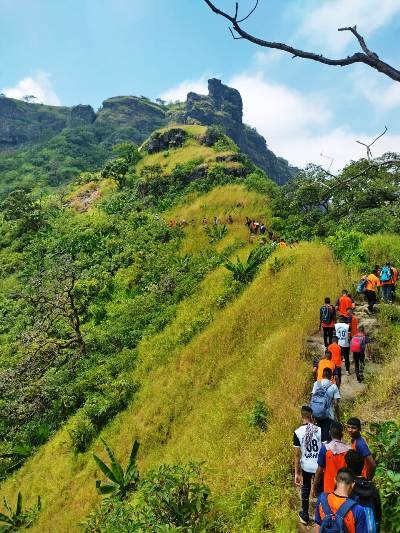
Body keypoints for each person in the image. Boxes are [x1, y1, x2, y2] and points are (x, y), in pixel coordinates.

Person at [293, 406, 322, 526]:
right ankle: (320, 517)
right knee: (320, 490)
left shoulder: (297, 432)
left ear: (302, 416)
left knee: (305, 489)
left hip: (306, 466)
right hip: (319, 466)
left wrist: (297, 473)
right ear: (312, 416)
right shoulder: (319, 430)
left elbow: (297, 455)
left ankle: (305, 515)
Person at [314, 468, 367, 532]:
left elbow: (318, 525)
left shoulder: (322, 499)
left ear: (335, 481)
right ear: (353, 485)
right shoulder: (358, 510)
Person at [345, 450, 382, 532]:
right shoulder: (373, 488)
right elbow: (378, 517)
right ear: (363, 466)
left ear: (347, 467)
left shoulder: (346, 489)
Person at [312, 422, 351, 496]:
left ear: (329, 433)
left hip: (329, 491)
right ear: (342, 434)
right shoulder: (349, 450)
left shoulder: (325, 449)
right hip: (345, 491)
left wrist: (314, 487)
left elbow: (319, 471)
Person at [310, 368, 341, 442]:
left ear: (322, 375)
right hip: (328, 416)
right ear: (331, 376)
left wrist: (311, 414)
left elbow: (312, 399)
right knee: (327, 440)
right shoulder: (334, 386)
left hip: (316, 414)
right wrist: (338, 418)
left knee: (318, 438)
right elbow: (336, 404)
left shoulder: (316, 384)